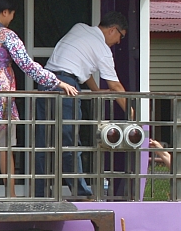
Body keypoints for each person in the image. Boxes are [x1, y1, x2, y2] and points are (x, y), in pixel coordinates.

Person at [0, 0, 78, 196]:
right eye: (11, 14)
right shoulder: (7, 35)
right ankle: (10, 193)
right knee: (5, 146)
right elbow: (26, 65)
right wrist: (56, 82)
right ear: (5, 12)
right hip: (1, 93)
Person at [34, 11, 130, 198]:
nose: (119, 41)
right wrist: (132, 111)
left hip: (46, 81)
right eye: (121, 36)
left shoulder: (79, 28)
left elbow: (81, 69)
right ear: (113, 30)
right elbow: (115, 85)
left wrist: (94, 90)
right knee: (70, 142)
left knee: (43, 142)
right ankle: (81, 191)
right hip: (66, 86)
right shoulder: (102, 49)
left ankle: (40, 192)